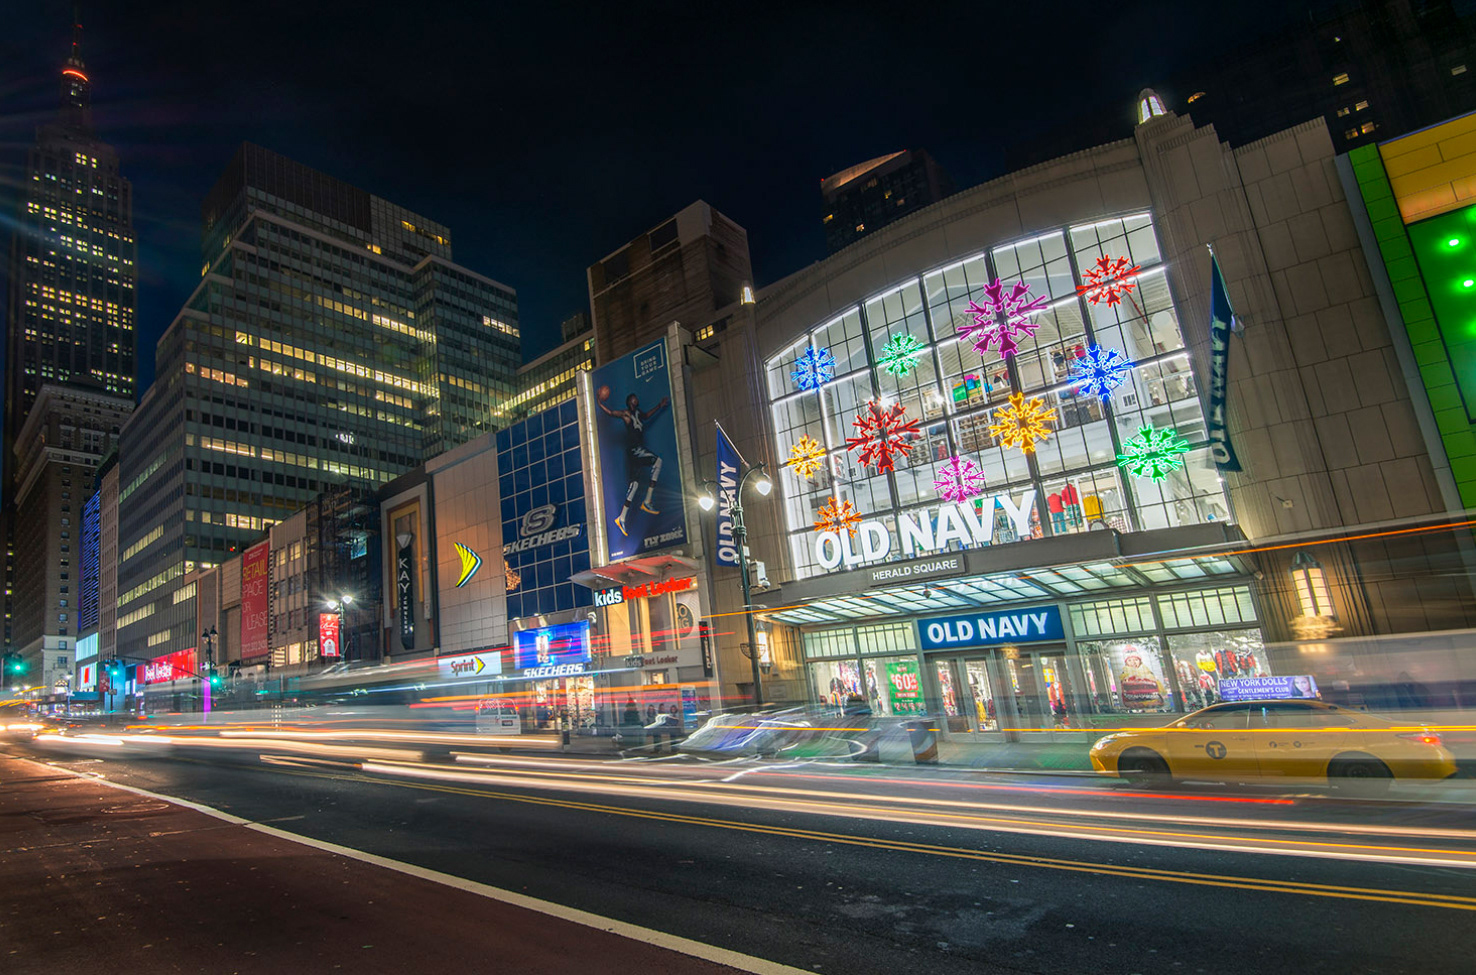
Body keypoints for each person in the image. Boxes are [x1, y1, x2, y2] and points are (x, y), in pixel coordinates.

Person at [597, 389, 670, 537]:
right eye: (634, 398)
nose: (637, 399)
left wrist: (659, 405)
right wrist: (599, 402)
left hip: (635, 451)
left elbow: (648, 415)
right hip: (634, 449)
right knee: (658, 462)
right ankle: (647, 501)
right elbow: (611, 413)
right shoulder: (626, 414)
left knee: (635, 485)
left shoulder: (639, 414)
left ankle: (621, 517)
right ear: (630, 401)